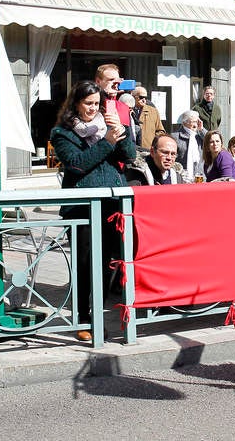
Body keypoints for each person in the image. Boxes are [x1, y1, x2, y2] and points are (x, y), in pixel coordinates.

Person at [50, 80, 136, 342]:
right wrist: (107, 142)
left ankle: (99, 313)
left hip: (111, 206)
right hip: (82, 208)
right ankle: (83, 318)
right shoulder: (62, 133)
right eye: (88, 103)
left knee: (108, 264)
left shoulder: (106, 126)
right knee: (85, 265)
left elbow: (130, 154)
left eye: (96, 104)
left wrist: (119, 131)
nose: (92, 108)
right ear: (76, 103)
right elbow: (77, 165)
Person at [126, 134, 190, 186]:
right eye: (165, 152)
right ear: (152, 152)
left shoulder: (178, 176)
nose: (169, 158)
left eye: (173, 154)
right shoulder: (137, 175)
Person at [94, 63, 132, 130]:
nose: (116, 84)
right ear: (98, 81)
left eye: (117, 80)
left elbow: (131, 137)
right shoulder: (90, 105)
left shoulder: (124, 107)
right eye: (111, 80)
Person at [172, 110, 204, 178]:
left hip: (199, 175)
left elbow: (210, 139)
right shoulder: (175, 136)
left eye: (197, 121)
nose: (196, 124)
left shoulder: (200, 135)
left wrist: (202, 130)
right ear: (184, 123)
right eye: (193, 121)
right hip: (182, 175)